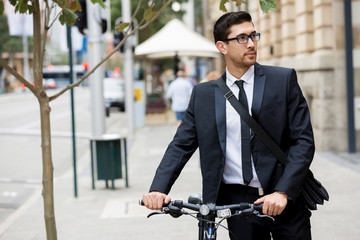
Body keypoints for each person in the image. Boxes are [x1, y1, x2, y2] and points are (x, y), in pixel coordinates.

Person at [143, 11, 314, 240]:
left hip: (284, 200)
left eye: (254, 35)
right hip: (237, 206)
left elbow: (303, 141)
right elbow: (181, 146)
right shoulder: (203, 95)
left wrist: (282, 192)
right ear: (222, 47)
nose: (251, 43)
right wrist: (158, 189)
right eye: (242, 38)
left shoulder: (282, 80)